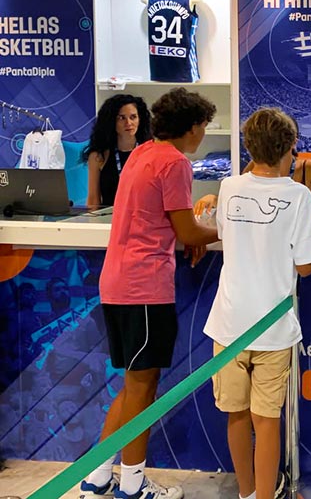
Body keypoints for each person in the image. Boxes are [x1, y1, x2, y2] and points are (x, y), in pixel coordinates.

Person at [203, 107, 311, 499]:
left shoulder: (229, 187)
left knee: (236, 416)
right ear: (290, 147)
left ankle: (246, 493)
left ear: (250, 146)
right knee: (266, 420)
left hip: (228, 324)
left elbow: (223, 234)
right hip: (272, 329)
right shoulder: (298, 195)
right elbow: (306, 265)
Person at [79, 87, 219, 499]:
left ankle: (98, 475)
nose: (203, 135)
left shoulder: (142, 153)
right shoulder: (175, 162)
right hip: (145, 286)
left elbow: (172, 224)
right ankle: (133, 485)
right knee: (142, 388)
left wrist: (192, 233)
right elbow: (187, 231)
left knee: (133, 385)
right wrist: (227, 228)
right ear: (191, 128)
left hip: (119, 282)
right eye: (203, 127)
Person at [194, 118, 311, 220]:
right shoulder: (256, 165)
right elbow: (238, 197)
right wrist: (215, 199)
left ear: (293, 142)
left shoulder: (308, 167)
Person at [82, 94, 152, 209]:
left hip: (143, 217)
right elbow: (93, 199)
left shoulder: (150, 152)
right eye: (121, 118)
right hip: (110, 218)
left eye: (133, 117)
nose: (128, 123)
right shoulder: (98, 156)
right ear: (111, 121)